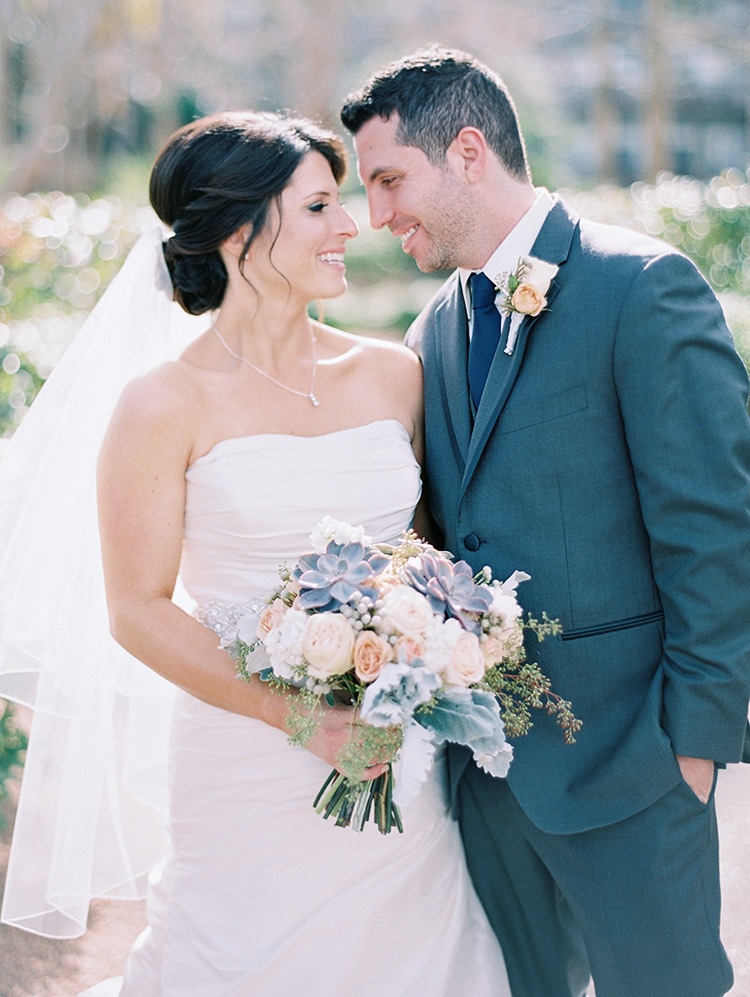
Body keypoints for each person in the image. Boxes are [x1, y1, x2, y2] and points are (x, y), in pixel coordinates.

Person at [0, 111, 510, 995]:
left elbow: (427, 553)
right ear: (238, 233)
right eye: (317, 207)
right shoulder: (161, 405)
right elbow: (138, 609)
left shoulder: (394, 374)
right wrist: (302, 720)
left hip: (391, 752)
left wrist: (428, 647)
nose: (350, 225)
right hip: (243, 764)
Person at [341, 47, 750, 997]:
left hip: (631, 769)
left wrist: (693, 749)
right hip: (487, 787)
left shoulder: (641, 286)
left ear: (468, 151)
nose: (377, 214)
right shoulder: (430, 333)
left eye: (390, 179)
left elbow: (716, 532)